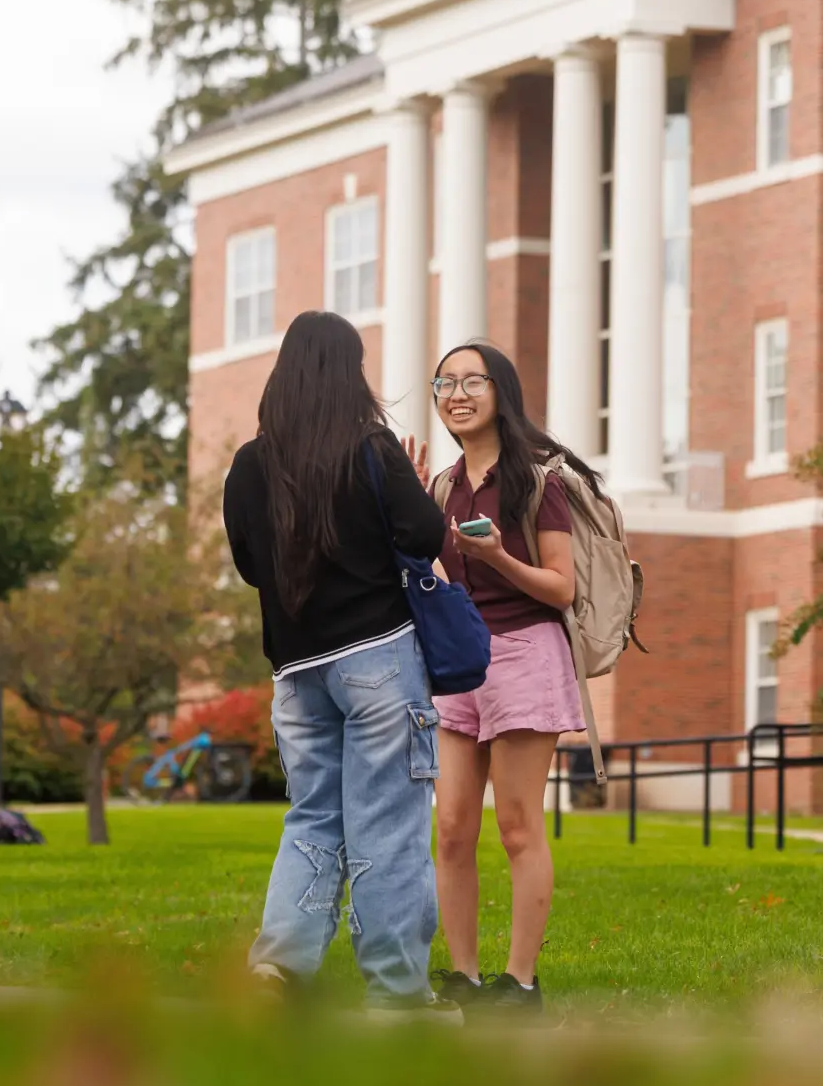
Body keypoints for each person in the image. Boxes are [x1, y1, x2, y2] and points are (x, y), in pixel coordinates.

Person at [223, 310, 450, 1007]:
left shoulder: (250, 464)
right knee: (387, 824)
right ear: (348, 372)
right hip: (379, 657)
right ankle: (396, 993)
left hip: (296, 673)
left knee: (313, 818)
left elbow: (248, 567)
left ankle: (280, 972)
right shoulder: (372, 448)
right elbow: (425, 532)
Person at [412, 340, 595, 1018]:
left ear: (501, 392)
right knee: (453, 829)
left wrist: (497, 558)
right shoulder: (444, 485)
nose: (455, 394)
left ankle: (519, 984)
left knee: (518, 828)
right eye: (444, 383)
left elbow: (560, 588)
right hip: (461, 662)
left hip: (524, 653)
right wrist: (410, 513)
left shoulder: (536, 481)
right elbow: (432, 582)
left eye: (470, 381)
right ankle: (464, 975)